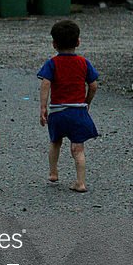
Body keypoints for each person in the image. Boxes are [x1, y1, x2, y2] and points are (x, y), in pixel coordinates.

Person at [37, 19, 99, 193]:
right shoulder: (84, 63)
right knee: (77, 148)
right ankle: (80, 182)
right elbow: (93, 85)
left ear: (54, 44)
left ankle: (53, 172)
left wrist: (43, 107)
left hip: (57, 112)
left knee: (55, 141)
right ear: (78, 42)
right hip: (78, 112)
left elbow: (46, 84)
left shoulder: (52, 63)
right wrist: (87, 101)